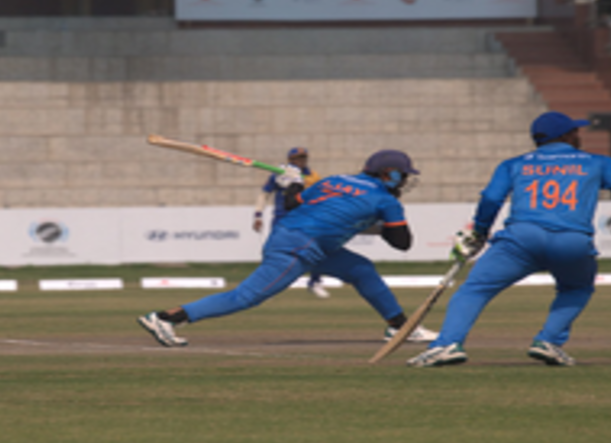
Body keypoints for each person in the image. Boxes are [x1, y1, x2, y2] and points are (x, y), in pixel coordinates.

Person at [407, 111, 611, 368]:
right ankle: (549, 340)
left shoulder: (514, 164)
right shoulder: (596, 163)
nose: (578, 134)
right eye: (575, 131)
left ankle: (448, 344)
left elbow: (491, 198)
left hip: (521, 240)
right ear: (567, 136)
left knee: (475, 290)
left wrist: (479, 231)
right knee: (576, 289)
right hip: (572, 241)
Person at [138, 149, 439, 347]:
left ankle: (400, 327)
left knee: (361, 270)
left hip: (302, 240)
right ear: (388, 174)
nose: (406, 181)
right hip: (300, 247)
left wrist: (292, 182)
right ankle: (166, 318)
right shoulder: (386, 200)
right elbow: (402, 243)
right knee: (247, 296)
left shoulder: (334, 180)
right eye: (403, 175)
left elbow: (295, 203)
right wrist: (380, 223)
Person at [253, 147, 330, 299]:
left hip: (305, 218)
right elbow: (264, 194)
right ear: (290, 160)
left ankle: (315, 282)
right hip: (282, 217)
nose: (301, 161)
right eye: (297, 158)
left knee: (317, 248)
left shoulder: (313, 176)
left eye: (303, 158)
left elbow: (321, 196)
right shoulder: (280, 173)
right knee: (272, 251)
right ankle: (266, 284)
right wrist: (258, 215)